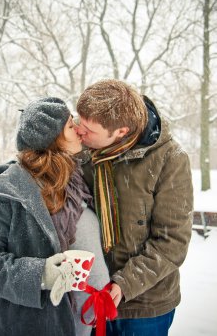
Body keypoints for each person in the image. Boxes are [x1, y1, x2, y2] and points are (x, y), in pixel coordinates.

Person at [0, 97, 109, 336]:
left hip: (82, 322)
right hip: (34, 324)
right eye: (70, 126)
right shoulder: (9, 189)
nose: (78, 129)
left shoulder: (75, 180)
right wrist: (41, 274)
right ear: (53, 140)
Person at [75, 79, 194, 336]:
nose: (78, 131)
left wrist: (124, 284)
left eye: (87, 129)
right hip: (90, 296)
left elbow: (172, 242)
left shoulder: (169, 159)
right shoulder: (81, 151)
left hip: (145, 307)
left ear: (121, 131)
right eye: (78, 121)